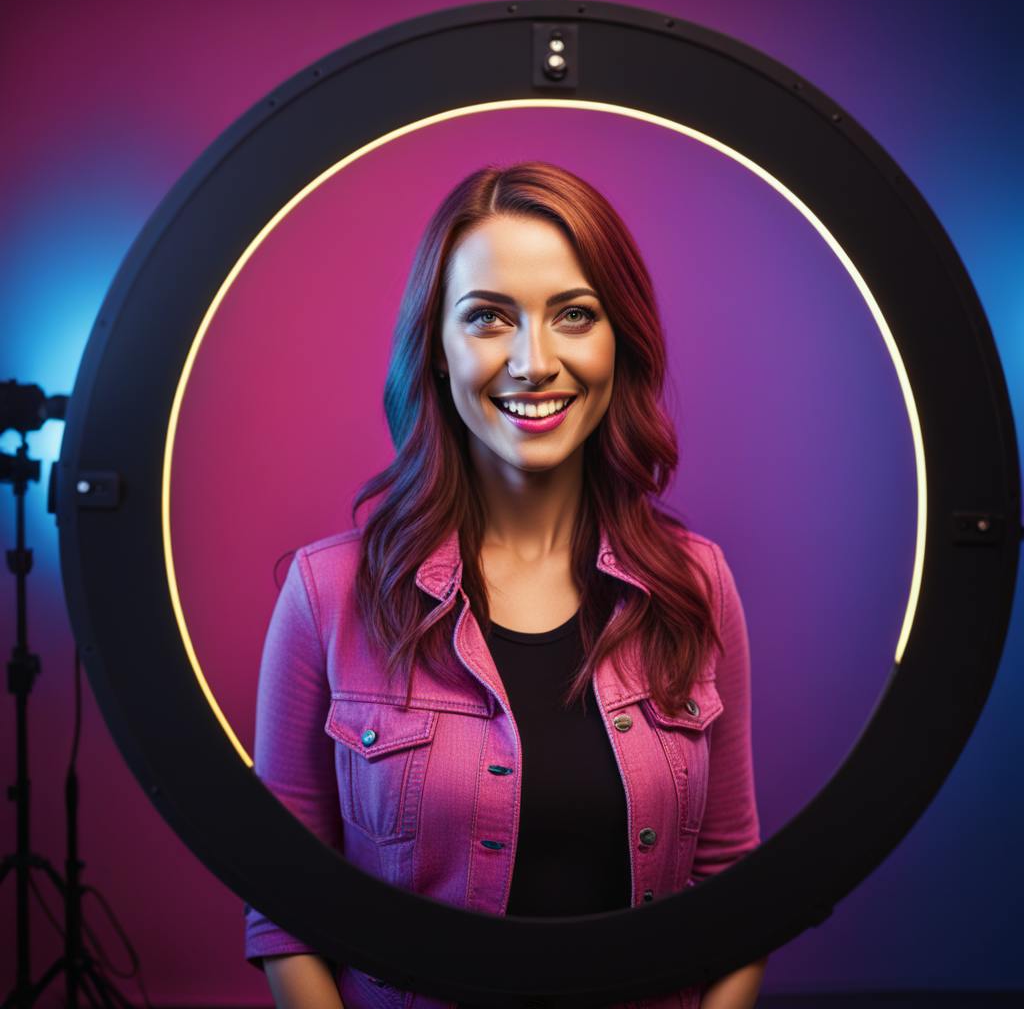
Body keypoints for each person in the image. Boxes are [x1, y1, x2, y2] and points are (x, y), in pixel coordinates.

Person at [244, 161, 766, 1008]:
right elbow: (284, 909)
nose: (534, 361)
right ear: (439, 353)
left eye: (574, 315)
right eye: (488, 317)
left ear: (618, 343)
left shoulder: (697, 587)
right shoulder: (325, 594)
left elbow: (733, 886)